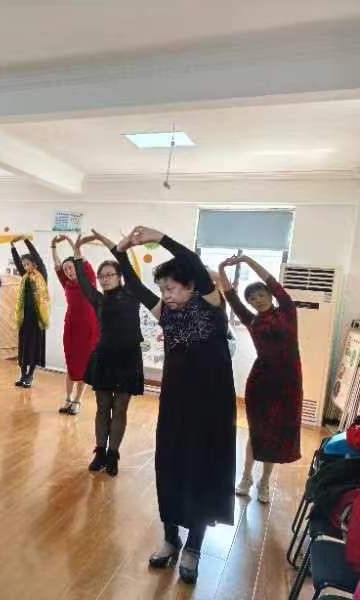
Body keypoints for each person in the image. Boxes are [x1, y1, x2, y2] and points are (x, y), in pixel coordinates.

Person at [116, 226, 236, 585]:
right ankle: (171, 538)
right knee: (169, 469)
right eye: (162, 289)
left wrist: (160, 238)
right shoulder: (166, 314)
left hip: (211, 411)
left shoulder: (213, 308)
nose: (165, 295)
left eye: (170, 288)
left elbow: (192, 261)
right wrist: (120, 251)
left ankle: (194, 546)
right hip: (174, 407)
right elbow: (134, 285)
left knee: (201, 472)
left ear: (191, 287)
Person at [219, 254, 302, 503]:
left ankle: (264, 482)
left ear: (270, 295)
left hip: (288, 383)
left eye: (261, 295)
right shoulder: (252, 319)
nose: (258, 300)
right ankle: (246, 477)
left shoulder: (287, 311)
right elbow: (230, 296)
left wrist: (247, 260)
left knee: (276, 434)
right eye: (252, 298)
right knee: (258, 431)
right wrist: (222, 268)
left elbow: (272, 280)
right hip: (261, 382)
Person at [73, 230, 144, 476]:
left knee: (120, 407)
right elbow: (83, 281)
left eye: (109, 275)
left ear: (119, 276)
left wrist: (105, 240)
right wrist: (77, 252)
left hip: (128, 358)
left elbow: (122, 258)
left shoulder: (132, 293)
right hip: (104, 357)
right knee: (102, 406)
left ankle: (113, 454)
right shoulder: (99, 299)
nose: (104, 279)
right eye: (101, 276)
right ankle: (100, 452)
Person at [51, 234, 100, 415]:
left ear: (77, 266)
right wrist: (53, 246)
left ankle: (78, 401)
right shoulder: (67, 283)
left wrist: (72, 243)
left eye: (71, 267)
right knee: (71, 364)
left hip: (89, 328)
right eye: (66, 270)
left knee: (85, 365)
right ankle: (68, 399)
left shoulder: (90, 279)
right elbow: (57, 265)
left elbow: (80, 257)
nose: (68, 271)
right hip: (71, 327)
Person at [10, 236, 50, 388]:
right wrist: (13, 247)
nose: (26, 267)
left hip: (38, 319)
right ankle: (22, 375)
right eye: (24, 265)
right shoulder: (25, 277)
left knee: (34, 347)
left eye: (28, 263)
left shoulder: (41, 275)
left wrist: (26, 241)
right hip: (25, 318)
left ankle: (30, 375)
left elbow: (37, 256)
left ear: (35, 264)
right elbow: (17, 263)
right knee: (23, 347)